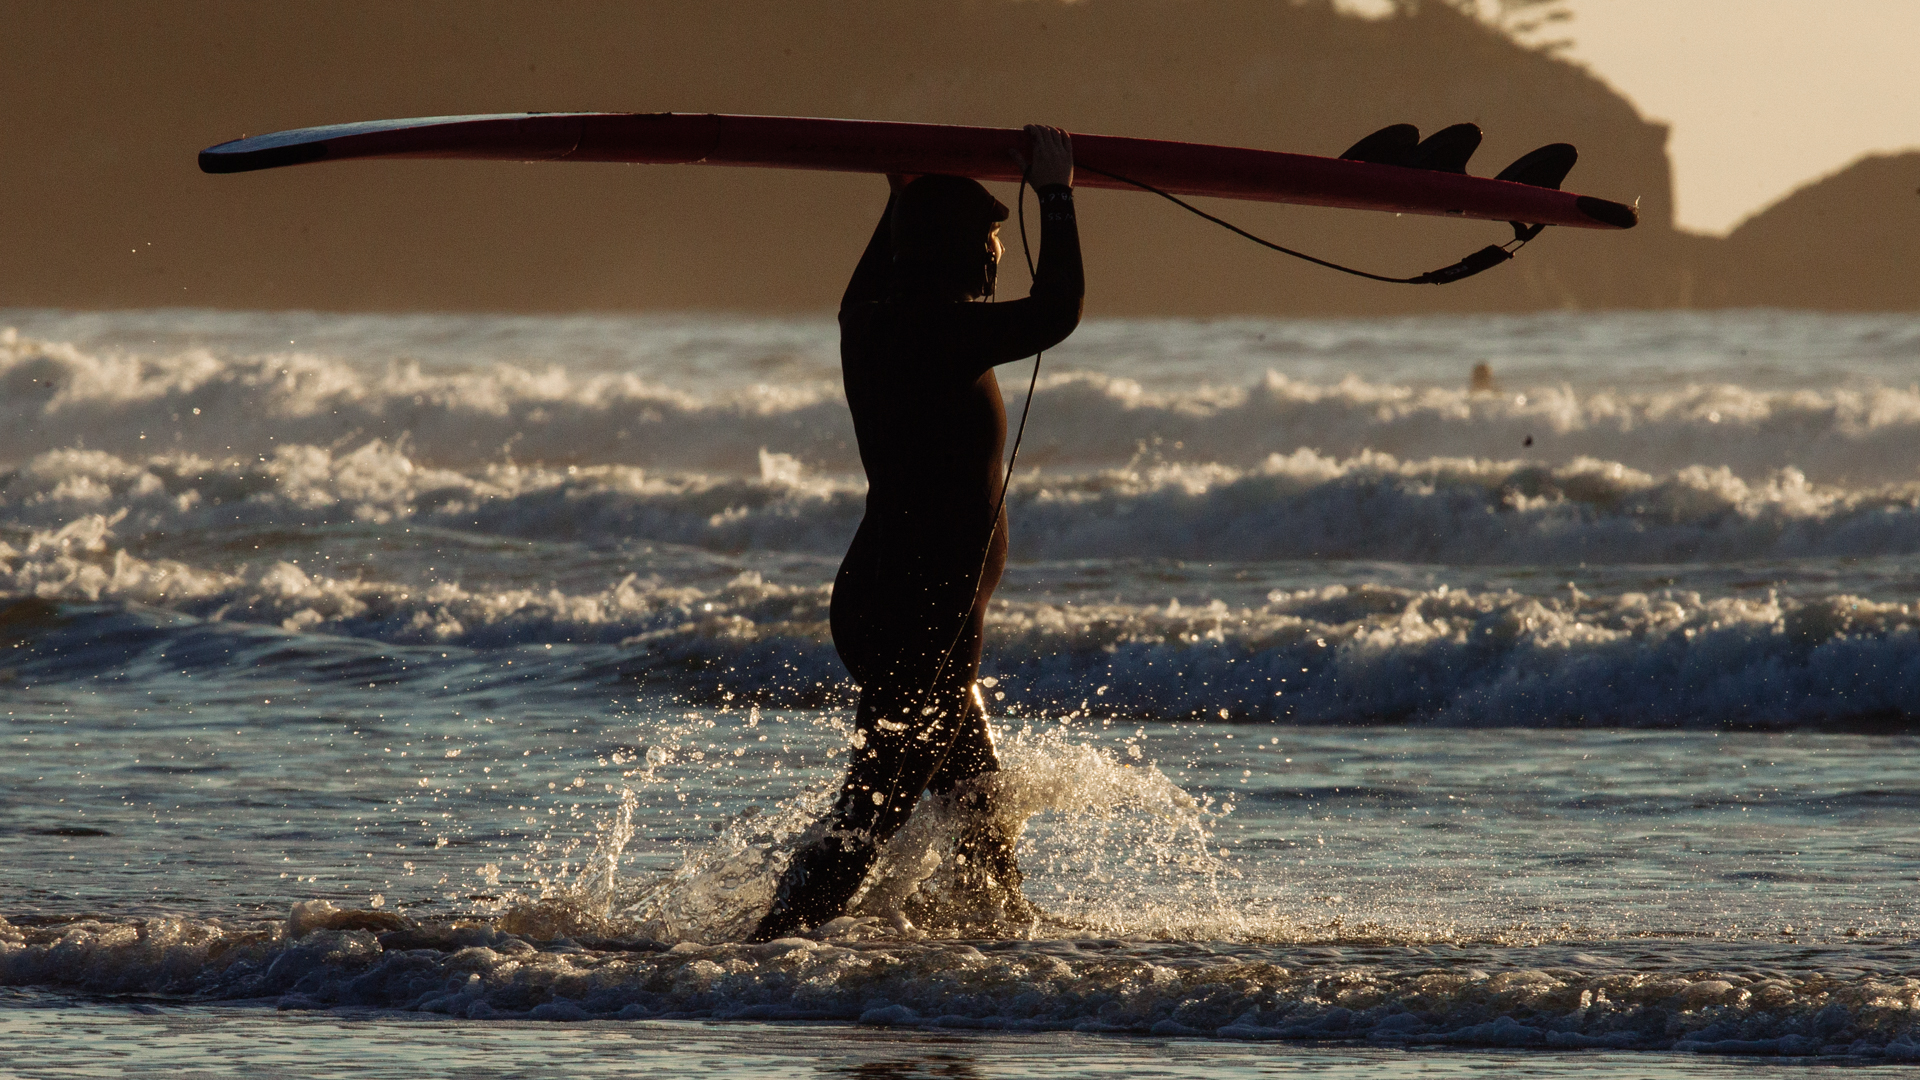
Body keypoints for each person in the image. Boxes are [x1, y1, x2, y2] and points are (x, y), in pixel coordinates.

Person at [750, 126, 1082, 941]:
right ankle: (766, 952)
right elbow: (1058, 309)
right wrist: (1057, 194)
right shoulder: (942, 331)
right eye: (991, 240)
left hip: (884, 590)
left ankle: (996, 923)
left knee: (975, 790)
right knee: (875, 806)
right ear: (960, 253)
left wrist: (899, 191)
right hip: (923, 605)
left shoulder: (871, 320)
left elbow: (879, 269)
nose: (996, 255)